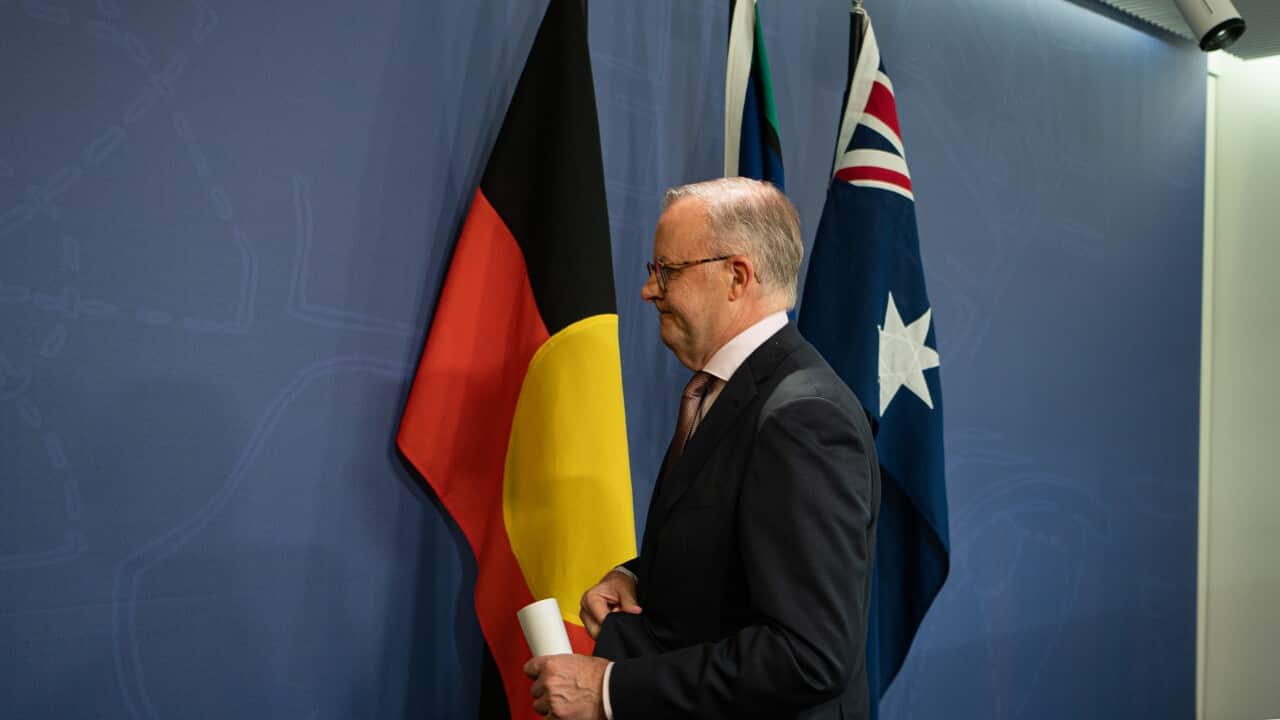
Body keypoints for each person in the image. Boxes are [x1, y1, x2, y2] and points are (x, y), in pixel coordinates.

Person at [524, 177, 880, 720]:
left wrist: (610, 689)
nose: (649, 290)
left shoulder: (801, 416)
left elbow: (809, 655)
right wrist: (637, 577)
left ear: (736, 276)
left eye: (667, 270)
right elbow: (739, 550)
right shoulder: (727, 391)